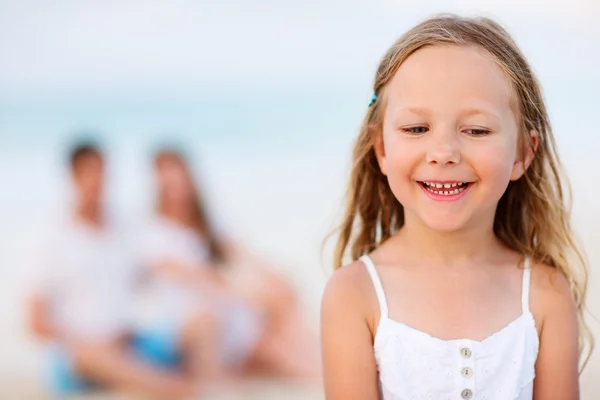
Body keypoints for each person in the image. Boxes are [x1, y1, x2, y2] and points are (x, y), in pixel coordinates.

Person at [321, 15, 592, 400]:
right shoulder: (354, 294)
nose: (443, 153)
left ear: (523, 153)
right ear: (381, 148)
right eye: (417, 129)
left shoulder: (545, 293)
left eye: (476, 130)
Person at [25, 142, 218, 399]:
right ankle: (179, 391)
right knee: (90, 355)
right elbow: (35, 323)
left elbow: (155, 270)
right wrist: (84, 339)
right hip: (81, 355)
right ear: (72, 177)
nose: (96, 182)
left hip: (127, 343)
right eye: (88, 173)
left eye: (101, 173)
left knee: (202, 322)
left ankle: (214, 387)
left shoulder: (124, 229)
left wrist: (207, 274)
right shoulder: (51, 238)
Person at [134, 148, 320, 383]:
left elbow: (245, 255)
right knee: (277, 347)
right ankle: (327, 375)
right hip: (194, 322)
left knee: (283, 328)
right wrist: (247, 293)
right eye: (169, 183)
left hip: (228, 311)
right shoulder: (154, 233)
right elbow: (195, 276)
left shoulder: (208, 224)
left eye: (179, 180)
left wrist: (279, 278)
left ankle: (332, 372)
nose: (176, 190)